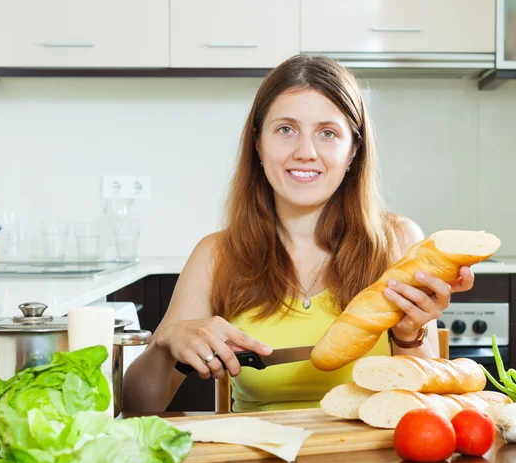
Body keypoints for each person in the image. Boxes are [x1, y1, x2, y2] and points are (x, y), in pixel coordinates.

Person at [122, 54, 474, 413]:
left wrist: (408, 333)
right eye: (286, 129)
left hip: (372, 461)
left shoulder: (397, 240)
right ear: (258, 142)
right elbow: (137, 407)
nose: (305, 152)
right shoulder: (216, 255)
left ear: (354, 149)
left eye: (327, 133)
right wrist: (165, 343)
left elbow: (429, 406)